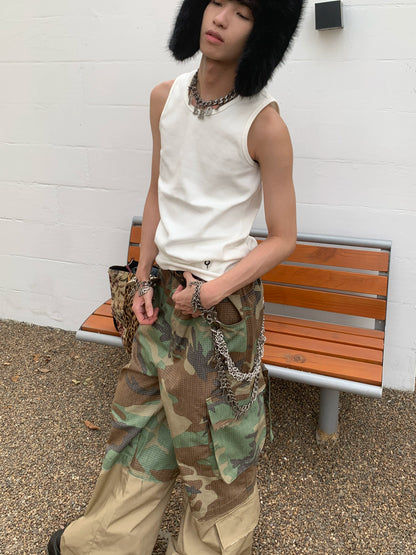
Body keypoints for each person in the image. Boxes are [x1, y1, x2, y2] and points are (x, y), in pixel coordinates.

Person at [48, 0, 303, 553]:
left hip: (222, 307)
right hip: (162, 293)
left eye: (244, 12)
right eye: (216, 1)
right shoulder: (164, 98)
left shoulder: (265, 124)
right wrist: (142, 277)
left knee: (217, 447)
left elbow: (284, 237)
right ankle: (107, 545)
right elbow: (157, 192)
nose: (221, 18)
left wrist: (211, 292)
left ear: (264, 33)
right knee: (138, 421)